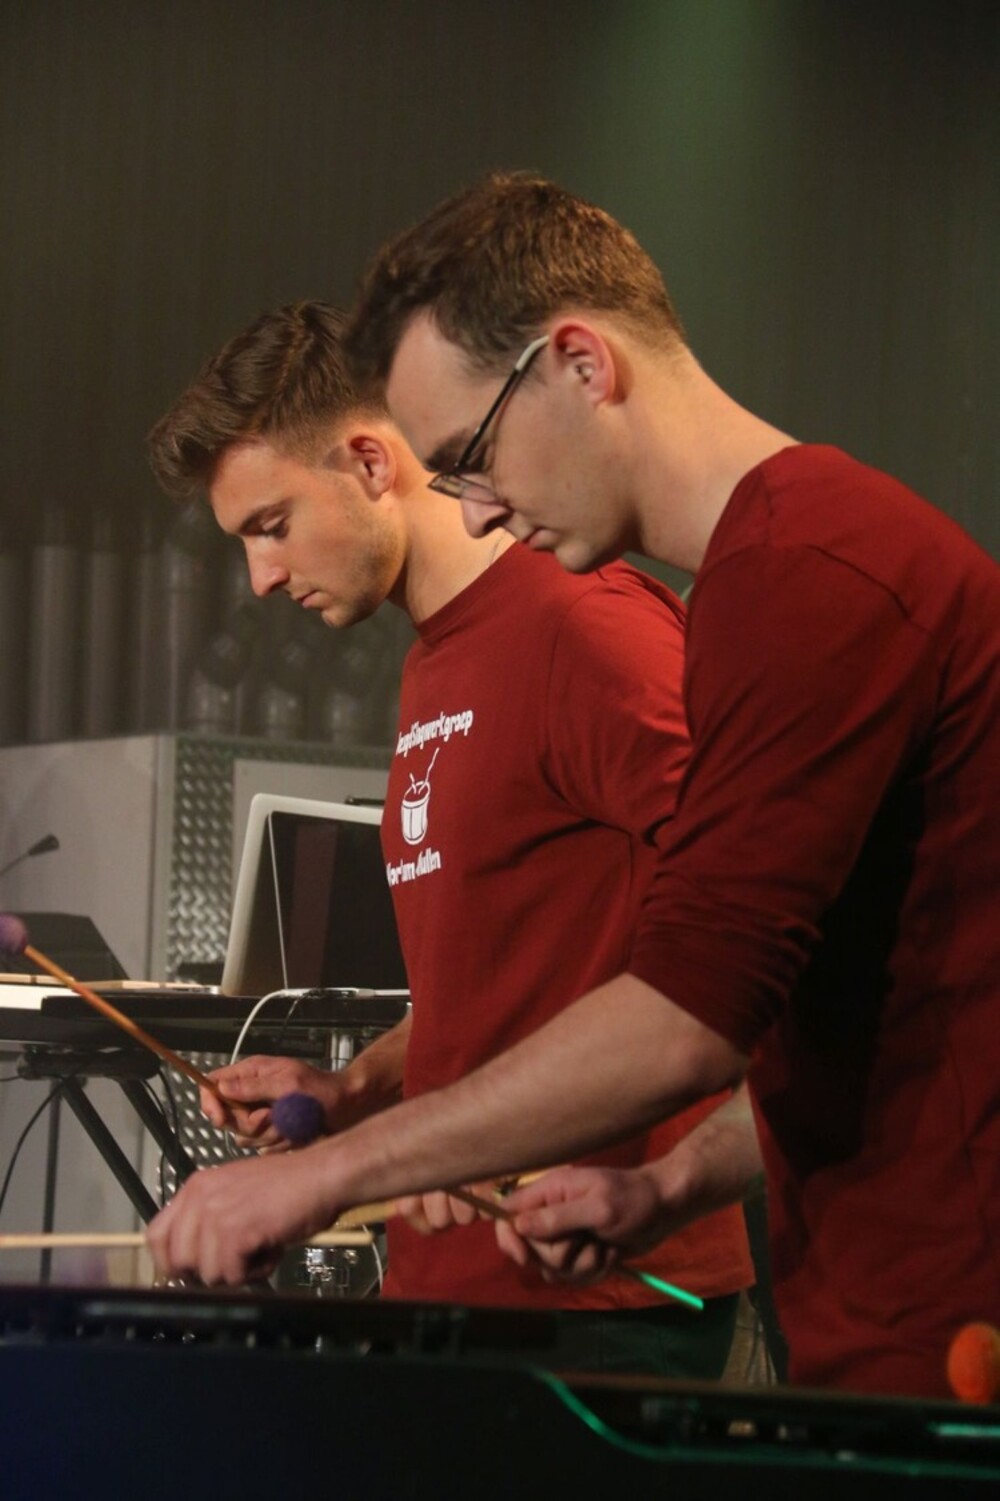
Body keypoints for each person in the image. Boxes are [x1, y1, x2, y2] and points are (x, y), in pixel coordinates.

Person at [147, 175, 999, 1400]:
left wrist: (327, 1172)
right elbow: (811, 1009)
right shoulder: (762, 580)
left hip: (931, 1324)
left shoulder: (800, 574)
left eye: (470, 458)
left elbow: (692, 1015)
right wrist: (665, 1184)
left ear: (582, 366)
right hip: (871, 1310)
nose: (476, 509)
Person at [145, 300, 755, 1377]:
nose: (261, 578)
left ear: (370, 463)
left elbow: (754, 942)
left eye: (271, 525)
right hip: (450, 1285)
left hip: (601, 1299)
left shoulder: (588, 629)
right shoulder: (434, 660)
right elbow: (505, 986)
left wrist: (658, 1179)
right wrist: (357, 1089)